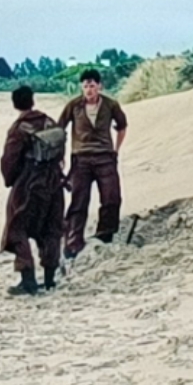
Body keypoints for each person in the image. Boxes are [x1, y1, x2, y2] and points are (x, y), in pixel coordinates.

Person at [0, 85, 65, 295]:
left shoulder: (19, 128)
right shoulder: (49, 121)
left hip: (29, 183)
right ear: (32, 100)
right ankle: (49, 279)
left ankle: (28, 279)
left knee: (17, 228)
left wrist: (11, 180)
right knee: (51, 229)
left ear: (15, 103)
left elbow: (10, 160)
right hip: (54, 182)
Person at [56, 68, 128, 258]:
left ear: (99, 86)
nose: (89, 90)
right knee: (79, 201)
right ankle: (72, 242)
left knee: (112, 198)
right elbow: (59, 130)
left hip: (105, 157)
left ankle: (105, 236)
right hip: (81, 159)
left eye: (92, 86)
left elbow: (122, 126)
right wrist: (60, 155)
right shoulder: (73, 105)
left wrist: (116, 150)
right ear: (82, 87)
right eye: (85, 86)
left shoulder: (111, 105)